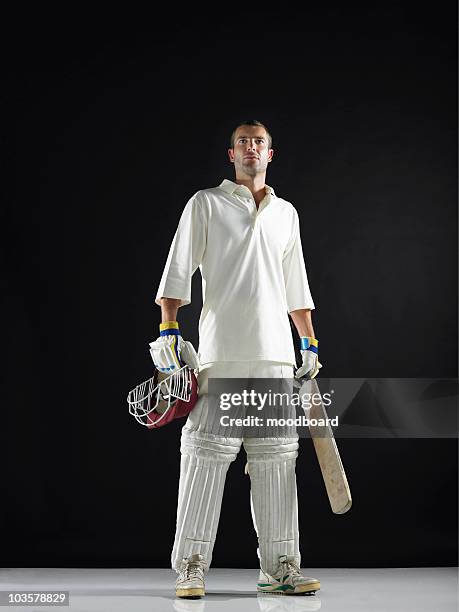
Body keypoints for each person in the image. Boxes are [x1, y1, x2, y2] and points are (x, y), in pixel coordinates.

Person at [152, 120, 322, 598]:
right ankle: (190, 567)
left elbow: (297, 286)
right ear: (231, 154)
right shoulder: (205, 203)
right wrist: (168, 328)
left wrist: (308, 342)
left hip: (274, 359)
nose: (252, 148)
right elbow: (178, 268)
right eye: (243, 142)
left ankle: (280, 568)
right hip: (222, 355)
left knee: (276, 462)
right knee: (206, 460)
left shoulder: (286, 213)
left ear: (272, 153)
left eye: (259, 142)